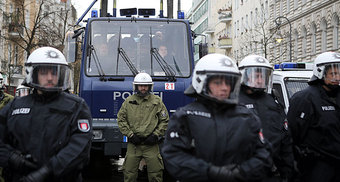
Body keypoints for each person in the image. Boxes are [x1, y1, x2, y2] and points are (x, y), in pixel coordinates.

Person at [0, 46, 93, 182]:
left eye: (54, 73)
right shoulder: (15, 106)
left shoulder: (76, 106)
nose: (49, 78)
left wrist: (48, 171)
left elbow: (80, 147)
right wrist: (15, 160)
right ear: (33, 74)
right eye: (44, 72)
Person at [161, 53, 272, 182]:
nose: (224, 88)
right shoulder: (186, 116)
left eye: (228, 82)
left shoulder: (247, 117)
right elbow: (173, 156)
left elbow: (264, 155)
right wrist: (209, 172)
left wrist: (241, 172)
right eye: (218, 82)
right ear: (201, 82)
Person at [238, 55, 294, 182]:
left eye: (263, 76)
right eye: (255, 76)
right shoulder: (233, 100)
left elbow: (285, 136)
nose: (259, 80)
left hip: (271, 171)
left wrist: (288, 170)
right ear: (243, 76)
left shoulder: (272, 101)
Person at [287, 51, 340, 182]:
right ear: (320, 72)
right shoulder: (304, 99)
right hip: (317, 168)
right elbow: (293, 134)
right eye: (333, 73)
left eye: (339, 73)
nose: (337, 77)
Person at [117, 72, 169, 182]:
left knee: (156, 174)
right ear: (136, 86)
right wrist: (130, 135)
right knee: (129, 174)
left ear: (150, 86)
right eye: (141, 85)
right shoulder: (128, 101)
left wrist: (156, 135)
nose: (143, 88)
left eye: (145, 86)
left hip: (151, 144)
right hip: (134, 145)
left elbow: (164, 120)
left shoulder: (157, 101)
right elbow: (121, 119)